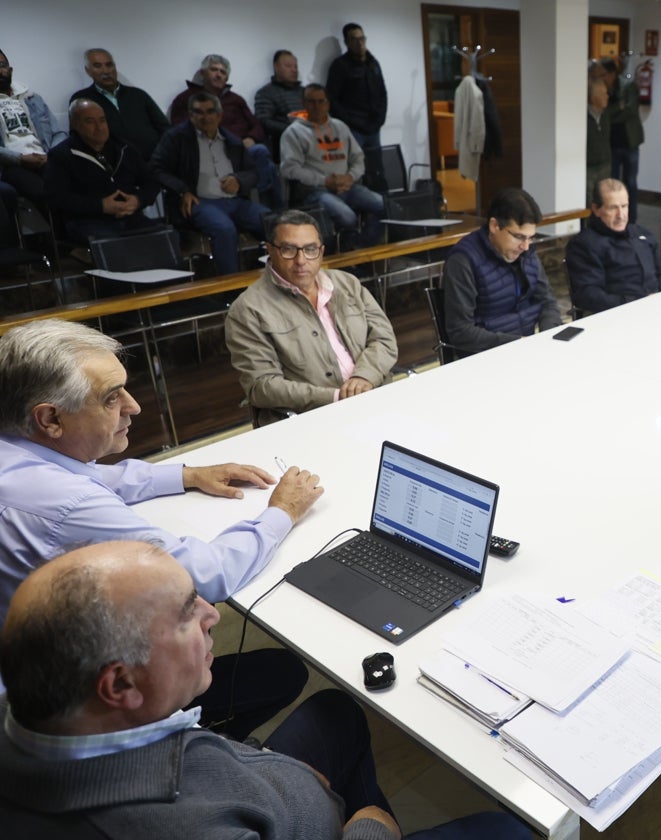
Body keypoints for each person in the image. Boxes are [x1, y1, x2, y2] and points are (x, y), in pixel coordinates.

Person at [0, 541, 532, 840]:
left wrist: (278, 774)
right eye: (189, 613)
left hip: (264, 789)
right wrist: (369, 829)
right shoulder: (175, 828)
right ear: (119, 683)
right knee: (503, 829)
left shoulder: (35, 719)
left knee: (336, 712)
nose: (213, 615)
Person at [0, 319, 325, 734]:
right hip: (67, 704)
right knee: (283, 672)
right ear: (50, 419)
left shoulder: (19, 452)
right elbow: (207, 575)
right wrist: (282, 511)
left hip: (30, 666)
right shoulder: (69, 505)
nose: (134, 406)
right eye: (111, 398)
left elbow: (92, 476)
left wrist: (185, 474)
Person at [225, 209, 398, 424]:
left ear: (321, 251)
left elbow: (384, 338)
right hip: (312, 419)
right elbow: (262, 386)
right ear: (270, 250)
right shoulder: (248, 309)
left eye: (310, 249)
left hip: (376, 396)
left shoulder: (348, 284)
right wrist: (337, 396)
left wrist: (364, 376)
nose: (301, 260)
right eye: (289, 249)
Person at [150, 92, 270, 275]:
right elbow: (156, 169)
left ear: (219, 115)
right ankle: (231, 287)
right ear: (190, 115)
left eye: (209, 112)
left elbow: (253, 173)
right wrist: (183, 190)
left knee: (273, 221)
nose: (204, 117)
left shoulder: (232, 140)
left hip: (235, 201)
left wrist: (239, 180)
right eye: (198, 112)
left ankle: (280, 279)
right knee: (224, 228)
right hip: (200, 202)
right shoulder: (176, 138)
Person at [443, 187, 561, 355]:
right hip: (485, 357)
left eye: (531, 238)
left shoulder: (526, 252)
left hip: (526, 349)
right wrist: (515, 344)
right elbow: (460, 331)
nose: (526, 246)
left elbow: (547, 301)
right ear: (494, 226)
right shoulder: (464, 260)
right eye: (519, 237)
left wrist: (548, 336)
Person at [168, 54, 281, 211]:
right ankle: (268, 211)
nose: (218, 74)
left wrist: (251, 138)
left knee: (262, 153)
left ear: (227, 78)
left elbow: (257, 125)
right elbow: (179, 130)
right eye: (214, 69)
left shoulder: (236, 99)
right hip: (210, 151)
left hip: (242, 150)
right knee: (267, 167)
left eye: (223, 72)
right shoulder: (186, 99)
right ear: (203, 73)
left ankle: (268, 209)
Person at [280, 83, 385, 250]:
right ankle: (347, 257)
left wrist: (350, 176)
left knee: (385, 206)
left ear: (328, 104)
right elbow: (290, 169)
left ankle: (362, 248)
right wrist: (325, 181)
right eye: (311, 101)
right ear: (304, 104)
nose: (317, 106)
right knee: (347, 217)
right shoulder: (293, 133)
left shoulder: (340, 127)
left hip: (348, 186)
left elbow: (358, 158)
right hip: (316, 191)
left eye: (321, 101)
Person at [43, 99, 161, 244]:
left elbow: (151, 182)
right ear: (75, 124)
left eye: (102, 120)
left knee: (165, 239)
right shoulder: (61, 155)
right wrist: (101, 206)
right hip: (87, 221)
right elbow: (57, 199)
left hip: (130, 216)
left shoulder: (124, 148)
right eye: (90, 121)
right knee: (116, 248)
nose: (99, 127)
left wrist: (137, 200)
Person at [566, 178, 661, 314]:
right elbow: (587, 295)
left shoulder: (643, 234)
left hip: (656, 308)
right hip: (616, 315)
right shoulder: (584, 245)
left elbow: (659, 275)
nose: (621, 215)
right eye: (613, 208)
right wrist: (636, 302)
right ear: (596, 209)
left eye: (624, 206)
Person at [69, 48, 170, 162]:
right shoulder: (82, 100)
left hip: (153, 160)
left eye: (109, 65)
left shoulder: (138, 95)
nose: (105, 71)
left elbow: (165, 128)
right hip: (114, 164)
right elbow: (77, 139)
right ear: (88, 71)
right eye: (98, 66)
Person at [0, 48, 66, 204]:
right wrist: (21, 159)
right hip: (11, 165)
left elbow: (59, 133)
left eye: (1, 65)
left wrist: (50, 155)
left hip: (46, 158)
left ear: (10, 70)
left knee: (78, 184)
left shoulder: (33, 98)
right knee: (46, 193)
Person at [327, 23, 388, 191]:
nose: (360, 43)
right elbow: (332, 99)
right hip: (353, 129)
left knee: (376, 171)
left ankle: (382, 208)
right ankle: (362, 213)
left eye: (362, 39)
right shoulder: (340, 66)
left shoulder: (372, 63)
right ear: (347, 42)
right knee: (355, 172)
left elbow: (382, 93)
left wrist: (380, 119)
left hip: (373, 127)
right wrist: (349, 122)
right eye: (355, 40)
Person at [603, 57, 644, 224]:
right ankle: (612, 217)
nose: (601, 78)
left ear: (612, 74)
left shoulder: (628, 86)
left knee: (631, 182)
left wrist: (609, 114)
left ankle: (631, 219)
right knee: (612, 184)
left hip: (629, 142)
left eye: (604, 75)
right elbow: (603, 113)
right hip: (610, 144)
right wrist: (617, 108)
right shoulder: (602, 88)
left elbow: (630, 111)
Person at [254, 49, 304, 159]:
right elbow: (264, 121)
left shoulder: (305, 92)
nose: (294, 70)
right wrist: (293, 130)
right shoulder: (266, 93)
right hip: (286, 143)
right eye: (288, 66)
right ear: (276, 67)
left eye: (295, 66)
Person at [585, 78, 610, 207]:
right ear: (594, 98)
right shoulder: (583, 116)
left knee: (604, 199)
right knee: (589, 200)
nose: (607, 96)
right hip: (589, 166)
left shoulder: (606, 114)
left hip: (605, 163)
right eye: (603, 94)